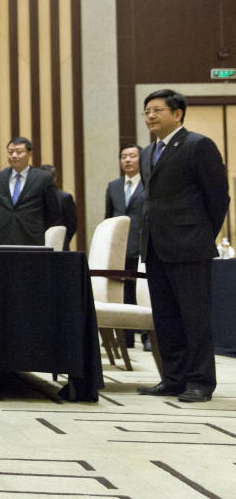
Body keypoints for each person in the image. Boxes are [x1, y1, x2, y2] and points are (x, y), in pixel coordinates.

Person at [136, 89, 229, 403]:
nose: (150, 116)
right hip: (155, 246)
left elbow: (218, 197)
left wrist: (202, 234)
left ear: (177, 114)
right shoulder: (148, 152)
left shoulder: (197, 145)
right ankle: (172, 379)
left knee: (195, 316)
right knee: (166, 317)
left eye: (157, 110)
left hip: (189, 245)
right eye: (146, 111)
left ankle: (201, 381)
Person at [104, 144, 147, 347]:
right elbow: (108, 218)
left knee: (144, 293)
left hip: (142, 245)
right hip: (119, 248)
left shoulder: (149, 184)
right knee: (123, 292)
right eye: (123, 156)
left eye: (132, 156)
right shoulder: (113, 186)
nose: (127, 160)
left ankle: (147, 337)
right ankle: (126, 339)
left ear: (141, 159)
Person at [0, 137, 61, 245]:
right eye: (10, 152)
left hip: (32, 238)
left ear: (29, 153)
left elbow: (52, 212)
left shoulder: (43, 178)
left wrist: (35, 227)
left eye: (19, 152)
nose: (14, 156)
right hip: (4, 237)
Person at [40, 164, 77, 250]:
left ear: (55, 178)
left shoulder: (64, 197)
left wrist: (61, 238)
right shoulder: (35, 197)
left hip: (60, 244)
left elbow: (72, 224)